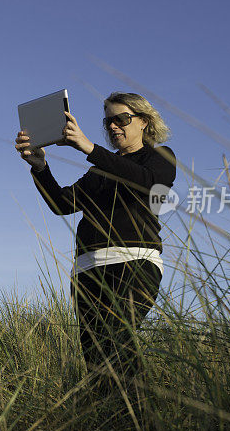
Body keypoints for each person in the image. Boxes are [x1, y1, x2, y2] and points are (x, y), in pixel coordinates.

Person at [15, 91, 176, 392]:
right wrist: (40, 168)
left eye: (121, 119)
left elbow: (147, 182)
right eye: (108, 122)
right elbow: (62, 204)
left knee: (118, 343)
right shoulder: (98, 170)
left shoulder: (160, 158)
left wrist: (88, 147)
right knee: (96, 359)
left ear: (143, 121)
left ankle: (143, 425)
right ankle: (107, 424)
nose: (113, 126)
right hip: (87, 271)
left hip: (134, 263)